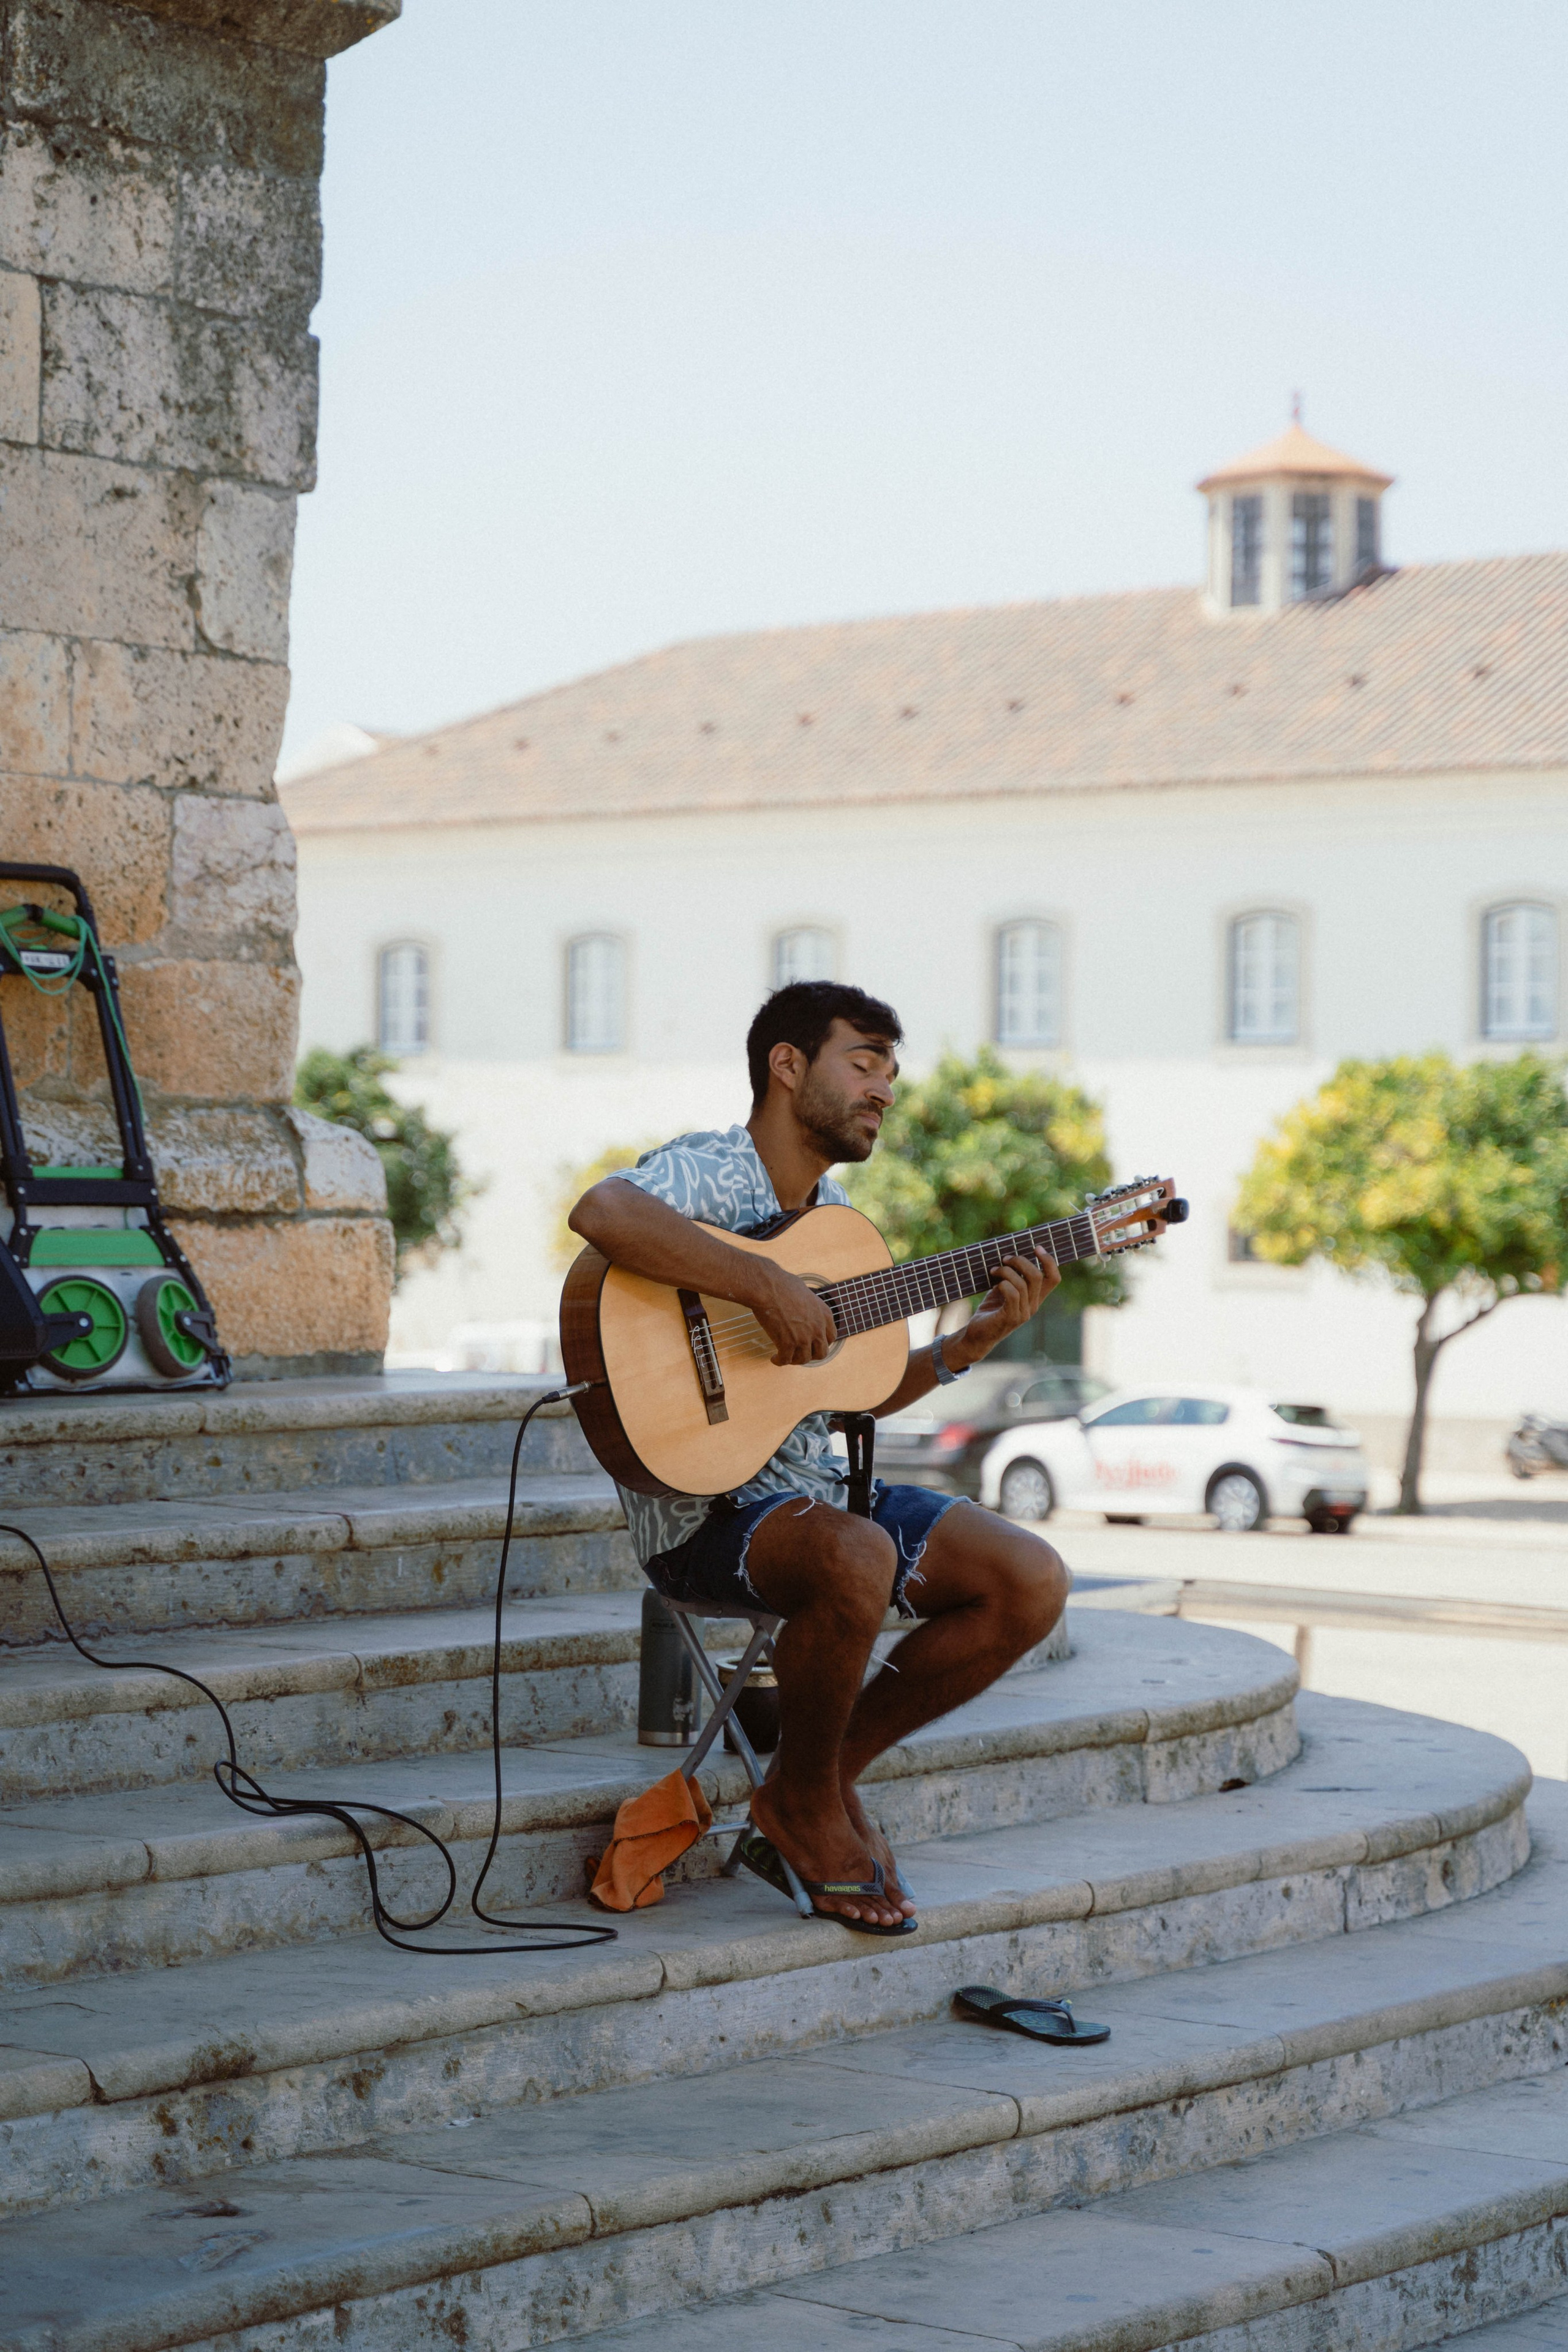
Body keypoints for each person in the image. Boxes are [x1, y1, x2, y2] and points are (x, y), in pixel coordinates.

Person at [568, 981, 1069, 1933]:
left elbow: (857, 1390)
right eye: (865, 1061)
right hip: (703, 1511)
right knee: (857, 1555)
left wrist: (965, 1348)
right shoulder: (712, 1173)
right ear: (787, 1066)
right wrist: (758, 1282)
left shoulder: (835, 1222)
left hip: (816, 1496)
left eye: (892, 1070)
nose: (885, 1089)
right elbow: (603, 1212)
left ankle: (814, 1784)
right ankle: (807, 1801)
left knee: (1031, 1580)